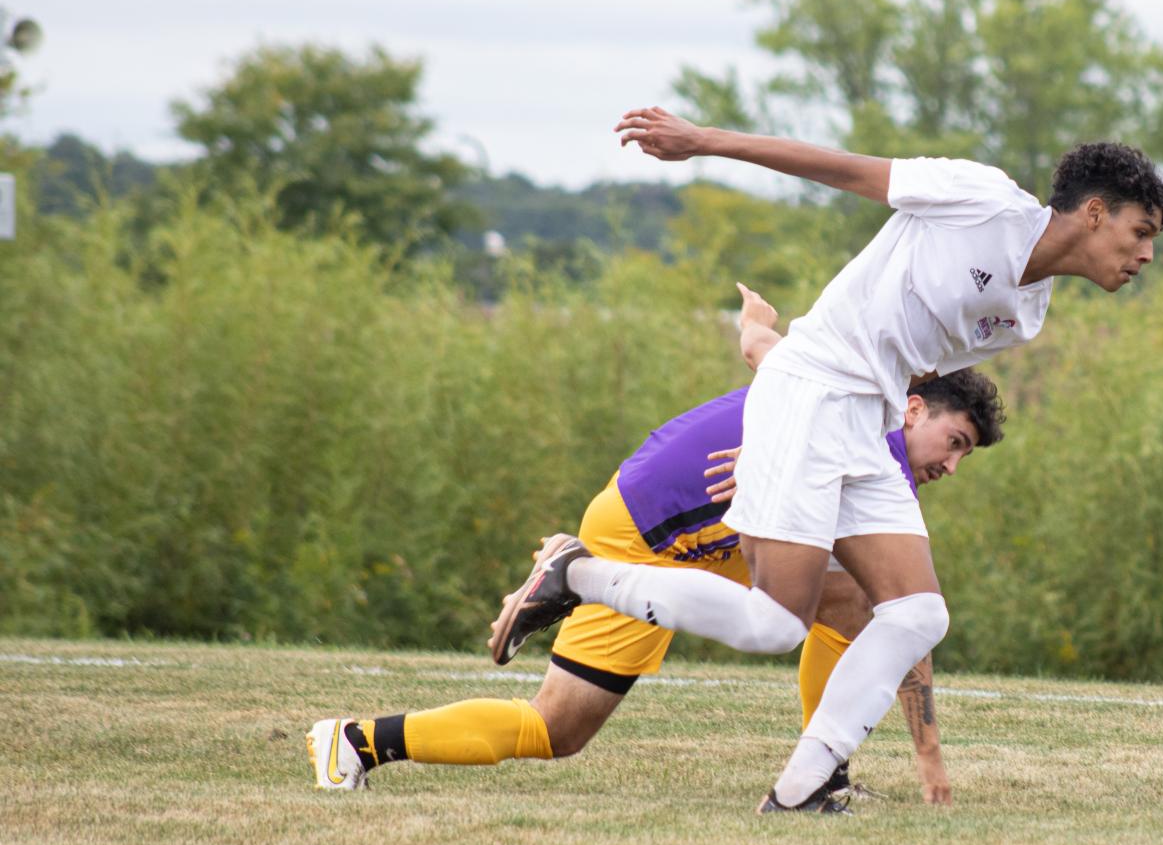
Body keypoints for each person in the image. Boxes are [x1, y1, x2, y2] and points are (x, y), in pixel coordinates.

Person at [492, 109, 1163, 813]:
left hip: (859, 422)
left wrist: (763, 359)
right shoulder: (984, 198)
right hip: (813, 399)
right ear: (1094, 213)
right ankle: (580, 573)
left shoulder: (1025, 315)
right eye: (1140, 232)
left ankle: (803, 789)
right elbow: (841, 168)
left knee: (916, 614)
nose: (1146, 255)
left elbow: (900, 369)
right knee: (775, 625)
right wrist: (702, 142)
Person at [307, 286, 1004, 803]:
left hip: (693, 530)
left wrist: (754, 328)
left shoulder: (851, 402)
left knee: (854, 604)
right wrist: (931, 759)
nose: (951, 465)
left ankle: (823, 777)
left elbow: (767, 353)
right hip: (642, 534)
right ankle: (367, 733)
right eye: (955, 443)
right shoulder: (869, 443)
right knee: (557, 731)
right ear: (913, 407)